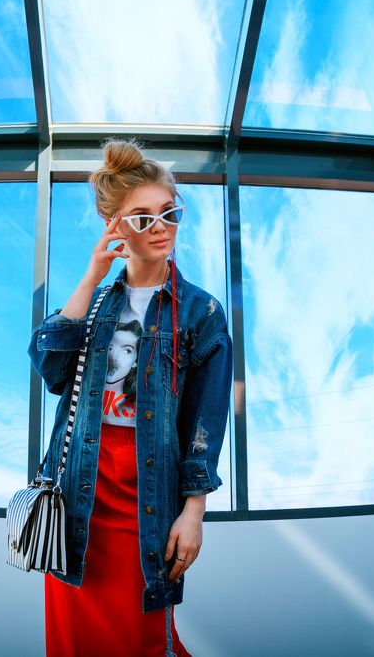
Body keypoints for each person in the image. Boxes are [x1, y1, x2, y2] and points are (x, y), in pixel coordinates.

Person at [27, 138, 233, 657]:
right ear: (115, 226)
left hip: (149, 496)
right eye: (141, 218)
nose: (160, 226)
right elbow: (50, 368)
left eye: (169, 212)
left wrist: (194, 512)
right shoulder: (95, 304)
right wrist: (93, 274)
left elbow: (206, 425)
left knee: (144, 640)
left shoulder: (202, 315)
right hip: (79, 497)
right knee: (75, 640)